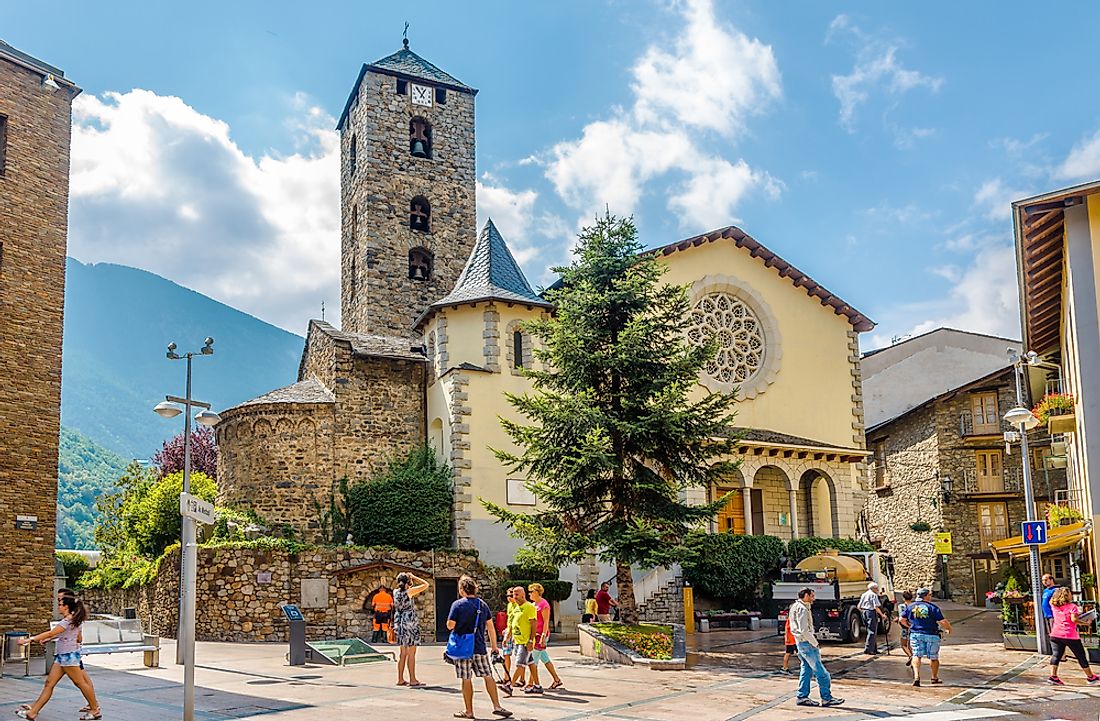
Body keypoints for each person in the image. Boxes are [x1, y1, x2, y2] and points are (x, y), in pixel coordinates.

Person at [16, 596, 101, 720]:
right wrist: (49, 639)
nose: (58, 606)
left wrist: (30, 639)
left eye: (60, 604)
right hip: (62, 656)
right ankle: (33, 712)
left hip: (69, 656)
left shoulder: (68, 620)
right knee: (49, 683)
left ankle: (95, 709)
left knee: (80, 683)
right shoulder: (72, 620)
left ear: (66, 606)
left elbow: (52, 632)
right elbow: (68, 635)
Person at [446, 575, 513, 719]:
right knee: (488, 676)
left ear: (462, 589)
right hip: (479, 647)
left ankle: (469, 711)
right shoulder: (482, 605)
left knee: (466, 679)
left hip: (463, 649)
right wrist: (494, 646)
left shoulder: (457, 605)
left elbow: (450, 625)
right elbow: (491, 627)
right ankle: (497, 706)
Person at [788, 587, 844, 707]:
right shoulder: (802, 609)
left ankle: (802, 696)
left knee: (806, 670)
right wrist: (815, 643)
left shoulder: (794, 606)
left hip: (800, 643)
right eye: (812, 596)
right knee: (822, 673)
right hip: (807, 644)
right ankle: (826, 698)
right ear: (806, 596)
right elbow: (804, 630)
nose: (814, 598)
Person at [1046, 587, 1100, 686]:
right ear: (1067, 595)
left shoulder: (1053, 605)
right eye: (1070, 593)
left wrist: (1056, 592)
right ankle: (1091, 677)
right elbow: (1074, 620)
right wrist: (1086, 623)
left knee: (1056, 655)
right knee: (1080, 656)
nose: (1071, 594)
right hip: (1070, 635)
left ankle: (1053, 677)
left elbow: (1050, 600)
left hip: (1055, 634)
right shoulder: (1072, 607)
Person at [901, 588, 952, 687]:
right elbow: (942, 621)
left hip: (915, 634)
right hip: (931, 634)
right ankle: (934, 677)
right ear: (926, 596)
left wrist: (909, 626)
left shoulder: (910, 606)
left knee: (916, 655)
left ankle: (916, 677)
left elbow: (901, 619)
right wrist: (949, 628)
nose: (931, 596)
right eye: (930, 595)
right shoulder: (932, 607)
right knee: (933, 657)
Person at [393, 571, 429, 688]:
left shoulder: (395, 592)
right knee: (411, 653)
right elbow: (426, 584)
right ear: (408, 582)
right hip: (409, 623)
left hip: (399, 623)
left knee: (402, 653)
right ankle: (412, 679)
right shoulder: (409, 592)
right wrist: (414, 577)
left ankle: (400, 678)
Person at [526, 583, 564, 691]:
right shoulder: (533, 605)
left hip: (541, 635)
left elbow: (546, 621)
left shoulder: (544, 604)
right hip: (535, 635)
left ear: (537, 593)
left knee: (533, 660)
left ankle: (531, 684)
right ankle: (556, 679)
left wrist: (543, 636)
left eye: (531, 592)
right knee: (544, 658)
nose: (530, 594)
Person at [501, 586, 537, 695]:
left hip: (525, 642)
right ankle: (538, 685)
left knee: (520, 664)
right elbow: (513, 623)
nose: (514, 597)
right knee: (530, 662)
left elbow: (533, 624)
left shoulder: (529, 607)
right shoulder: (515, 607)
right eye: (513, 595)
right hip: (517, 640)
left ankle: (510, 686)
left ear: (523, 595)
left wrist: (531, 641)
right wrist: (507, 637)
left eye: (516, 595)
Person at [858, 582, 887, 655]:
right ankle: (868, 649)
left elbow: (859, 606)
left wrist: (864, 612)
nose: (877, 589)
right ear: (873, 588)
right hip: (871, 612)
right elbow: (876, 607)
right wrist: (882, 615)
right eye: (876, 588)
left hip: (864, 612)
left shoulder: (864, 594)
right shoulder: (873, 595)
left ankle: (874, 649)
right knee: (872, 631)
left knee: (870, 630)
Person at [896, 590, 914, 667]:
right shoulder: (914, 606)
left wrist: (898, 620)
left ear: (903, 598)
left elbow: (902, 617)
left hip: (905, 627)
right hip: (914, 627)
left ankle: (910, 656)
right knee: (910, 644)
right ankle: (914, 659)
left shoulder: (901, 606)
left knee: (903, 644)